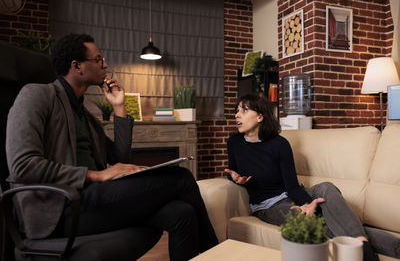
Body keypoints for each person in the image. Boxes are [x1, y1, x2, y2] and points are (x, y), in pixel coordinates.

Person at [6, 33, 218, 261]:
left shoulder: (85, 116)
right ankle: (219, 255)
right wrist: (96, 175)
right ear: (77, 66)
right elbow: (23, 165)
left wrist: (119, 108)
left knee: (181, 213)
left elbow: (120, 157)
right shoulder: (38, 95)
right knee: (182, 178)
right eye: (98, 60)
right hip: (61, 209)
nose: (105, 64)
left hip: (93, 200)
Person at [225, 94, 379, 261]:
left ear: (260, 116)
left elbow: (291, 186)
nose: (237, 115)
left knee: (326, 187)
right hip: (268, 206)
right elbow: (232, 171)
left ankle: (362, 244)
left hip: (291, 193)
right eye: (237, 111)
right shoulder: (234, 142)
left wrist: (306, 203)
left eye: (244, 110)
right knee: (315, 222)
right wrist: (235, 179)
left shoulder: (279, 144)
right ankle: (369, 250)